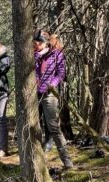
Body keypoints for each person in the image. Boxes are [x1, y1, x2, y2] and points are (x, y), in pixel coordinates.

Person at [34, 30, 73, 169]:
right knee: (34, 127)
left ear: (46, 42)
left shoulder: (57, 54)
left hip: (49, 94)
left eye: (39, 42)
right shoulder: (33, 56)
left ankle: (66, 159)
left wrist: (54, 83)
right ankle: (37, 160)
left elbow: (61, 73)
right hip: (34, 94)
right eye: (35, 42)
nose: (37, 44)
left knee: (54, 127)